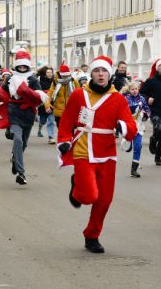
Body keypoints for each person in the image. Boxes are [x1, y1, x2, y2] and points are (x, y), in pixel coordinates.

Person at [57, 55, 137, 253]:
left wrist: (122, 126)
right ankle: (77, 188)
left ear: (109, 74)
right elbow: (67, 121)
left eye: (104, 71)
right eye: (96, 71)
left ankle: (92, 236)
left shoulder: (118, 99)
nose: (100, 75)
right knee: (88, 195)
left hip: (107, 154)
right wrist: (64, 141)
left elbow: (131, 127)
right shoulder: (78, 95)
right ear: (90, 73)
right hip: (83, 149)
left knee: (104, 200)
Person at [5, 50, 46, 184]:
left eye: (24, 67)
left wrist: (32, 95)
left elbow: (39, 95)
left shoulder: (33, 79)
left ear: (28, 67)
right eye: (20, 67)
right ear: (16, 67)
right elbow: (2, 92)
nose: (22, 69)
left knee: (24, 143)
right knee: (18, 139)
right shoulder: (10, 79)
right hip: (14, 113)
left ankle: (15, 159)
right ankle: (21, 173)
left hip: (28, 114)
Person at [122, 81, 151, 178]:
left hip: (138, 126)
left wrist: (146, 116)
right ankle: (128, 142)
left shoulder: (142, 98)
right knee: (127, 146)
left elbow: (147, 108)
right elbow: (122, 110)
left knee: (138, 146)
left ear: (138, 89)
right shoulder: (125, 98)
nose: (134, 91)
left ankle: (134, 169)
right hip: (128, 125)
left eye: (136, 89)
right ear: (129, 90)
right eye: (132, 89)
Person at [45, 61, 79, 129]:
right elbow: (49, 94)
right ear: (60, 74)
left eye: (67, 76)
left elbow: (79, 94)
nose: (65, 77)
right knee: (61, 130)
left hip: (71, 112)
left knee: (71, 131)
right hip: (59, 112)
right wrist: (47, 105)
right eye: (63, 76)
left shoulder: (73, 81)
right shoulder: (55, 82)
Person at [37, 66, 57, 143]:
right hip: (42, 103)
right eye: (48, 72)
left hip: (52, 103)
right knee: (43, 120)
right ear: (45, 73)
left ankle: (51, 137)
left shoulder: (55, 81)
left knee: (51, 121)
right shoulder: (40, 80)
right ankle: (39, 130)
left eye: (50, 72)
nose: (49, 74)